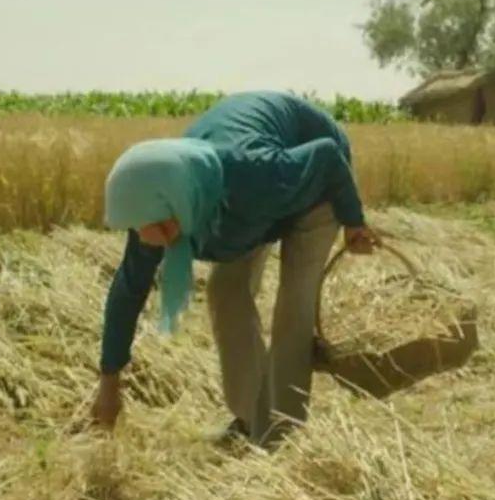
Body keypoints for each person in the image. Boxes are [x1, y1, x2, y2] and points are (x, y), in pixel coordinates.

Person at [94, 91, 380, 447]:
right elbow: (128, 291)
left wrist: (354, 222)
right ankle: (251, 420)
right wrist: (109, 385)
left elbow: (326, 156)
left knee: (294, 306)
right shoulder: (161, 205)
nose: (142, 236)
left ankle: (282, 434)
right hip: (246, 208)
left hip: (315, 184)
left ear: (170, 206)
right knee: (226, 292)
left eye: (145, 225)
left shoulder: (252, 174)